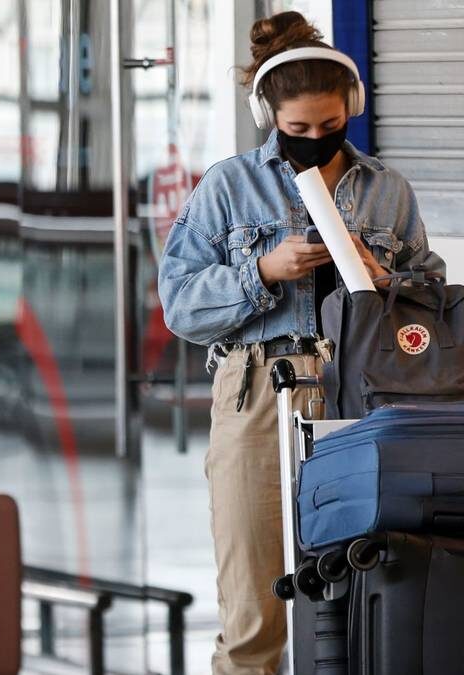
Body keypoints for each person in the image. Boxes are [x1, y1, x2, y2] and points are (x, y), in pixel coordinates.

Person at [157, 11, 443, 674]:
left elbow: (431, 301)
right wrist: (260, 271)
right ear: (268, 116)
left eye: (330, 126)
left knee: (365, 588)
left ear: (351, 109)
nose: (315, 140)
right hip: (259, 386)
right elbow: (180, 304)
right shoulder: (228, 186)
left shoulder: (387, 191)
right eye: (298, 131)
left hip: (364, 393)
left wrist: (388, 281)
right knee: (254, 608)